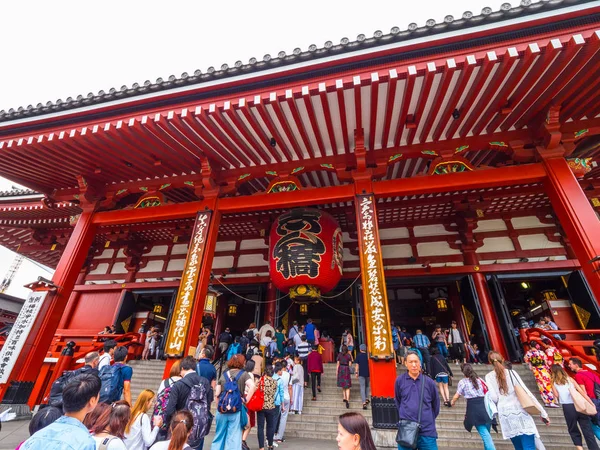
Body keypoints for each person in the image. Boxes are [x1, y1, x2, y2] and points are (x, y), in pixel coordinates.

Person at [485, 350, 549, 450]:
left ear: (490, 362)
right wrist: (543, 412)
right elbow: (526, 392)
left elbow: (494, 398)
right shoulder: (511, 373)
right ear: (503, 359)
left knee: (518, 447)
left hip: (505, 414)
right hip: (519, 410)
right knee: (528, 446)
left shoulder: (488, 377)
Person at [395, 351, 440, 450]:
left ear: (420, 363)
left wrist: (427, 418)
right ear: (405, 363)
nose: (414, 365)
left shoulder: (429, 382)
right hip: (406, 431)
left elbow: (436, 406)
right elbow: (398, 401)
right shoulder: (400, 381)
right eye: (411, 362)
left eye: (416, 361)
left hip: (427, 431)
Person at [165, 356, 211, 450]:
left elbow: (170, 411)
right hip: (199, 428)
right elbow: (208, 405)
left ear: (182, 368)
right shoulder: (205, 382)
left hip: (180, 427)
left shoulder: (178, 385)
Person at [211, 354, 256, 450]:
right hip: (236, 409)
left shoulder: (223, 375)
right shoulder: (244, 374)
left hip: (222, 410)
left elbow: (217, 393)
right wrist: (246, 400)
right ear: (242, 363)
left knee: (219, 435)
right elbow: (252, 386)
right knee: (234, 437)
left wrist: (219, 406)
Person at [550, 364, 599, 450]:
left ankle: (580, 448)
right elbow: (582, 392)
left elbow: (556, 395)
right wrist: (591, 403)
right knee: (587, 429)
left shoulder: (554, 382)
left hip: (567, 407)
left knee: (572, 428)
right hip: (579, 405)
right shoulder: (570, 379)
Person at [450, 364, 495, 450]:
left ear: (463, 372)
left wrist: (452, 401)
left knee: (485, 436)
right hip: (485, 407)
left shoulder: (463, 382)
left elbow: (457, 395)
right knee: (487, 435)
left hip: (474, 409)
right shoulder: (480, 380)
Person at [568, 357, 600, 440]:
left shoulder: (579, 375)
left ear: (576, 365)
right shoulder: (592, 374)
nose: (569, 366)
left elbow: (583, 391)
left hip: (591, 401)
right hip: (598, 399)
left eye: (570, 364)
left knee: (593, 425)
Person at [524, 342, 558, 407]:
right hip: (543, 370)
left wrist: (532, 366)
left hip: (536, 370)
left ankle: (546, 401)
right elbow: (545, 360)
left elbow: (527, 361)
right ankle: (551, 401)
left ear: (530, 346)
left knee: (541, 386)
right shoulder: (541, 352)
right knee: (548, 385)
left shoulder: (528, 353)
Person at [257, 365, 278, 450]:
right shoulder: (275, 382)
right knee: (270, 426)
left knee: (260, 427)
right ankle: (270, 444)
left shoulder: (261, 380)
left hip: (261, 406)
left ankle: (261, 447)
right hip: (271, 406)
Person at [273, 360, 292, 444]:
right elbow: (290, 387)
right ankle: (279, 437)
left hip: (277, 398)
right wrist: (292, 398)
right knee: (283, 418)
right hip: (286, 397)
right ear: (287, 366)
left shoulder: (276, 374)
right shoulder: (288, 375)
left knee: (275, 416)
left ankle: (272, 435)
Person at [354, 344, 370, 410]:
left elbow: (357, 365)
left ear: (360, 349)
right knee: (367, 386)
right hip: (368, 373)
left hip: (361, 373)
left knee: (362, 387)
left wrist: (356, 372)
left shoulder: (358, 356)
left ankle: (364, 403)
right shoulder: (368, 356)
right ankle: (366, 398)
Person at [337, 344, 353, 409]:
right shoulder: (348, 355)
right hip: (346, 369)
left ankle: (344, 397)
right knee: (347, 386)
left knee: (343, 384)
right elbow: (350, 364)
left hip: (341, 369)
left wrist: (337, 371)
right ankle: (347, 400)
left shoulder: (339, 355)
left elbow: (338, 364)